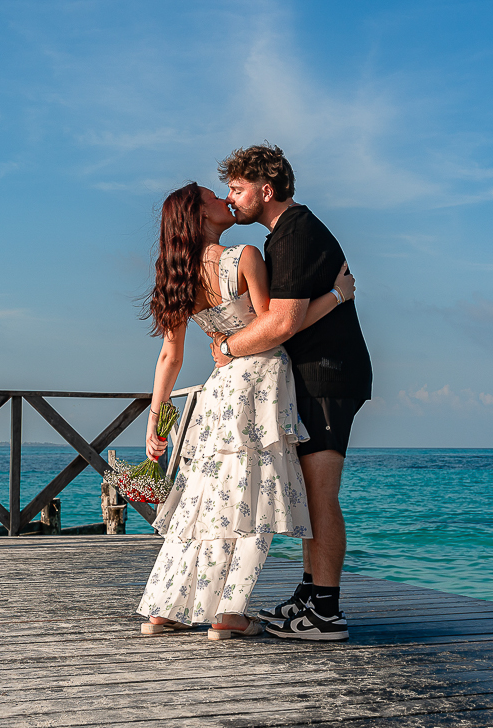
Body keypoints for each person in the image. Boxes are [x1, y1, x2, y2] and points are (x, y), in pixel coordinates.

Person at [136, 182, 355, 640]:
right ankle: (228, 613)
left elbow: (169, 357)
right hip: (260, 383)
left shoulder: (176, 278)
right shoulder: (244, 257)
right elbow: (280, 326)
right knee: (253, 497)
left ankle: (165, 607)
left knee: (202, 499)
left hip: (219, 392)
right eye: (214, 197)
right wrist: (337, 295)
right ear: (199, 215)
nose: (226, 200)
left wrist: (155, 418)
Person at [212, 144, 373, 642]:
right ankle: (309, 594)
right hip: (313, 375)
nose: (230, 198)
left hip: (327, 375)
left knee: (320, 494)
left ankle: (326, 611)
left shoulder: (295, 231)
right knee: (307, 492)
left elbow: (282, 322)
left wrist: (229, 346)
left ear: (266, 190)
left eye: (236, 188)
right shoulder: (284, 234)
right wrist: (337, 296)